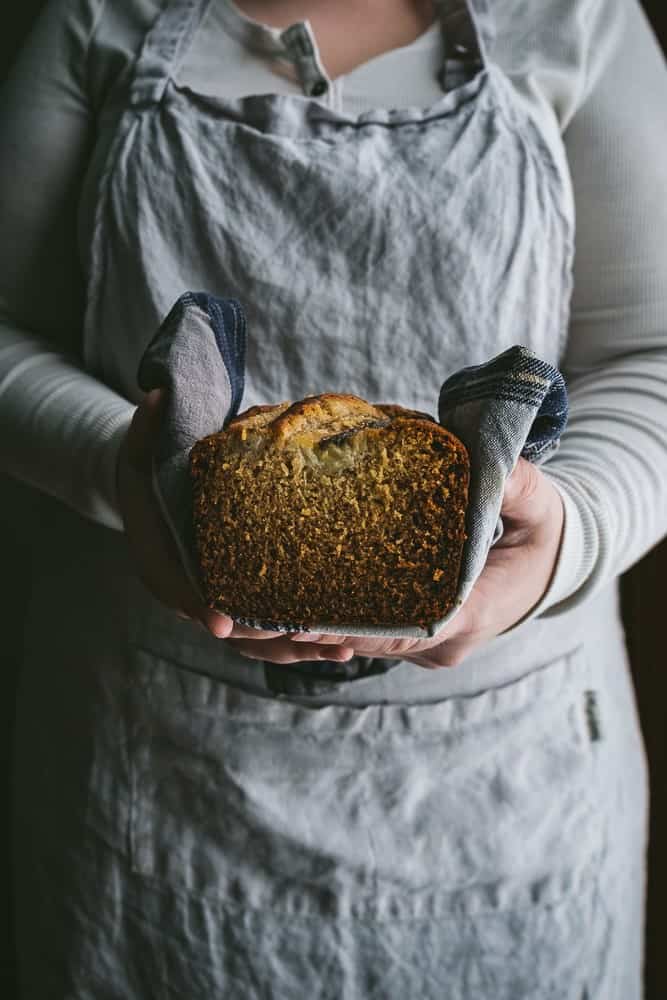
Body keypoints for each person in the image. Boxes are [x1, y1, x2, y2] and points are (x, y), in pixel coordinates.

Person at [2, 0, 666, 995]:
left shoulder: (575, 17)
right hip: (152, 777)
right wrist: (121, 465)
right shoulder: (99, 18)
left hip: (506, 787)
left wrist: (565, 537)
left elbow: (651, 352)